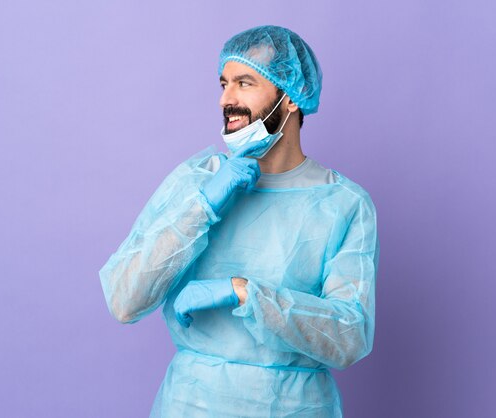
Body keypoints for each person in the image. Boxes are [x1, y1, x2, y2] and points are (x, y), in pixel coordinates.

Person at [99, 25, 379, 417]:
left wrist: (244, 292)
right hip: (193, 404)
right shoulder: (197, 181)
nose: (226, 99)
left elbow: (349, 337)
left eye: (245, 83)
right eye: (223, 84)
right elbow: (124, 300)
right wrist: (203, 207)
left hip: (296, 408)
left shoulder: (343, 204)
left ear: (291, 98)